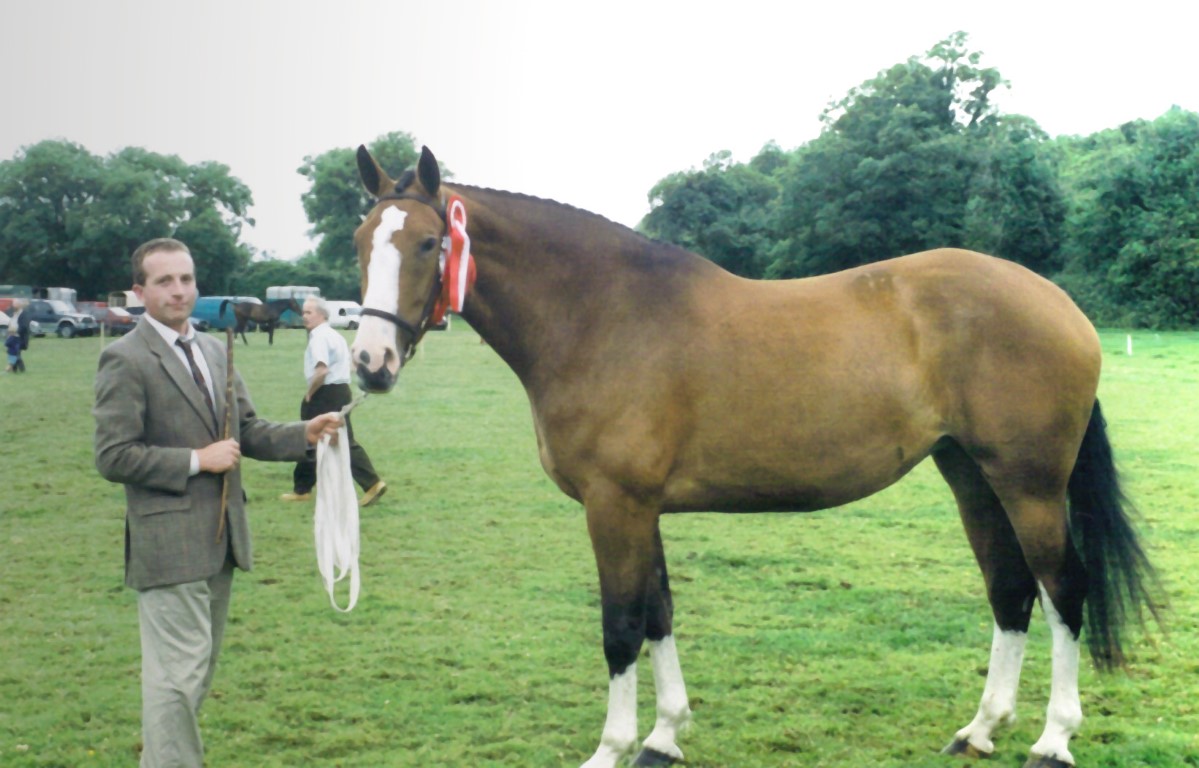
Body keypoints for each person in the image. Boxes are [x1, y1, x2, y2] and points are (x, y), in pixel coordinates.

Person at [93, 238, 343, 768]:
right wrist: (196, 460)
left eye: (186, 279)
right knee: (177, 680)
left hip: (222, 540)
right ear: (139, 291)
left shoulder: (212, 349)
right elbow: (113, 456)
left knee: (193, 676)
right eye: (164, 281)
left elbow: (245, 430)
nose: (178, 290)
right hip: (168, 545)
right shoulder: (125, 358)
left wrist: (305, 432)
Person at [280, 295, 387, 506]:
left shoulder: (319, 338)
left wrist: (310, 393)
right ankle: (304, 487)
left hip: (325, 393)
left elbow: (321, 370)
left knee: (310, 436)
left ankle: (370, 484)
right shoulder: (335, 335)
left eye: (308, 312)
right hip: (341, 391)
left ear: (322, 314)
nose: (304, 316)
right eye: (303, 312)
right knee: (333, 439)